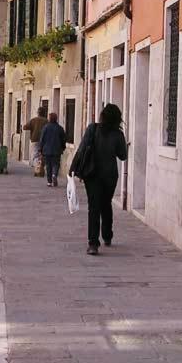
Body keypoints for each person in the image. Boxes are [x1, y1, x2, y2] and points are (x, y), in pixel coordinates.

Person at [70, 103, 127, 256]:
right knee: (106, 204)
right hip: (109, 175)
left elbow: (82, 148)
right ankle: (107, 235)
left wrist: (74, 167)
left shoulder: (92, 129)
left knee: (93, 207)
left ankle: (93, 244)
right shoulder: (118, 135)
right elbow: (123, 156)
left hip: (92, 173)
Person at [39, 112, 66, 187]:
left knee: (48, 166)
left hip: (46, 150)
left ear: (49, 119)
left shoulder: (45, 127)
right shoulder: (60, 128)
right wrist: (63, 148)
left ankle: (49, 181)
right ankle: (54, 175)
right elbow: (63, 139)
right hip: (57, 150)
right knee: (56, 164)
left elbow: (42, 139)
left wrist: (40, 149)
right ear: (56, 119)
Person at [23, 106, 48, 177]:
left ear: (38, 113)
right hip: (44, 141)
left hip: (35, 140)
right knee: (42, 155)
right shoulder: (46, 121)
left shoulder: (33, 120)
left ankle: (38, 169)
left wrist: (32, 128)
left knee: (35, 155)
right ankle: (41, 167)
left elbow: (25, 127)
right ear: (44, 113)